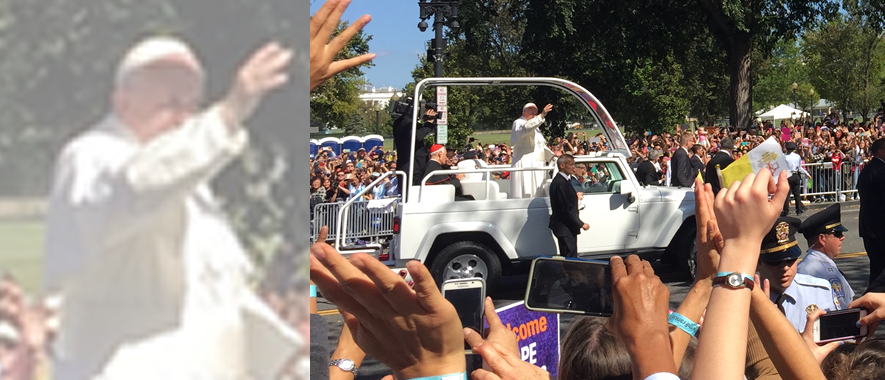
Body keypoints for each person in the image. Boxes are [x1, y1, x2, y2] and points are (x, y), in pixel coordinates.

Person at [43, 36, 304, 379]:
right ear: (122, 102)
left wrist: (290, 362)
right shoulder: (92, 157)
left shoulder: (187, 184)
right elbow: (139, 187)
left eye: (193, 105)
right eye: (171, 103)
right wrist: (229, 113)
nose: (184, 119)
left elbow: (215, 294)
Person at [755, 217, 839, 332]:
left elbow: (837, 337)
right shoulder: (746, 300)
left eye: (791, 260)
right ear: (757, 262)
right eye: (775, 261)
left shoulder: (820, 291)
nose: (785, 267)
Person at [797, 204, 853, 309]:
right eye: (838, 233)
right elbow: (841, 308)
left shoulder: (809, 264)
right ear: (822, 239)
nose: (842, 237)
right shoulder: (822, 270)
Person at [548, 154, 589, 257]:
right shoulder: (560, 183)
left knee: (568, 255)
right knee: (570, 256)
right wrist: (581, 224)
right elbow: (567, 208)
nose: (574, 167)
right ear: (562, 165)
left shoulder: (564, 181)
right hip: (565, 226)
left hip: (566, 227)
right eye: (571, 164)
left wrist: (575, 196)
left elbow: (565, 199)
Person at [858, 138, 885, 292]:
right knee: (880, 269)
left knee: (877, 266)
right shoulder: (881, 170)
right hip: (880, 226)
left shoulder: (867, 169)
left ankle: (873, 296)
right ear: (880, 152)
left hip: (869, 225)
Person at [510, 103, 553, 198]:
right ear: (523, 113)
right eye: (531, 113)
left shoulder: (535, 127)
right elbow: (526, 128)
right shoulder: (519, 123)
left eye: (535, 114)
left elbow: (539, 145)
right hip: (525, 163)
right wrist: (542, 115)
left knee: (538, 192)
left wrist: (551, 155)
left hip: (537, 164)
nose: (534, 116)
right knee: (527, 192)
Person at [393, 107, 437, 186]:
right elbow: (416, 136)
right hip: (413, 167)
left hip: (407, 166)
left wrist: (424, 120)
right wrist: (429, 124)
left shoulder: (399, 122)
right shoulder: (407, 123)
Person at [782, 141, 808, 216]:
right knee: (797, 194)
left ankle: (786, 211)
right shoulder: (797, 156)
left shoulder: (784, 156)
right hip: (796, 174)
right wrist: (806, 173)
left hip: (788, 175)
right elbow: (799, 167)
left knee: (787, 194)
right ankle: (798, 210)